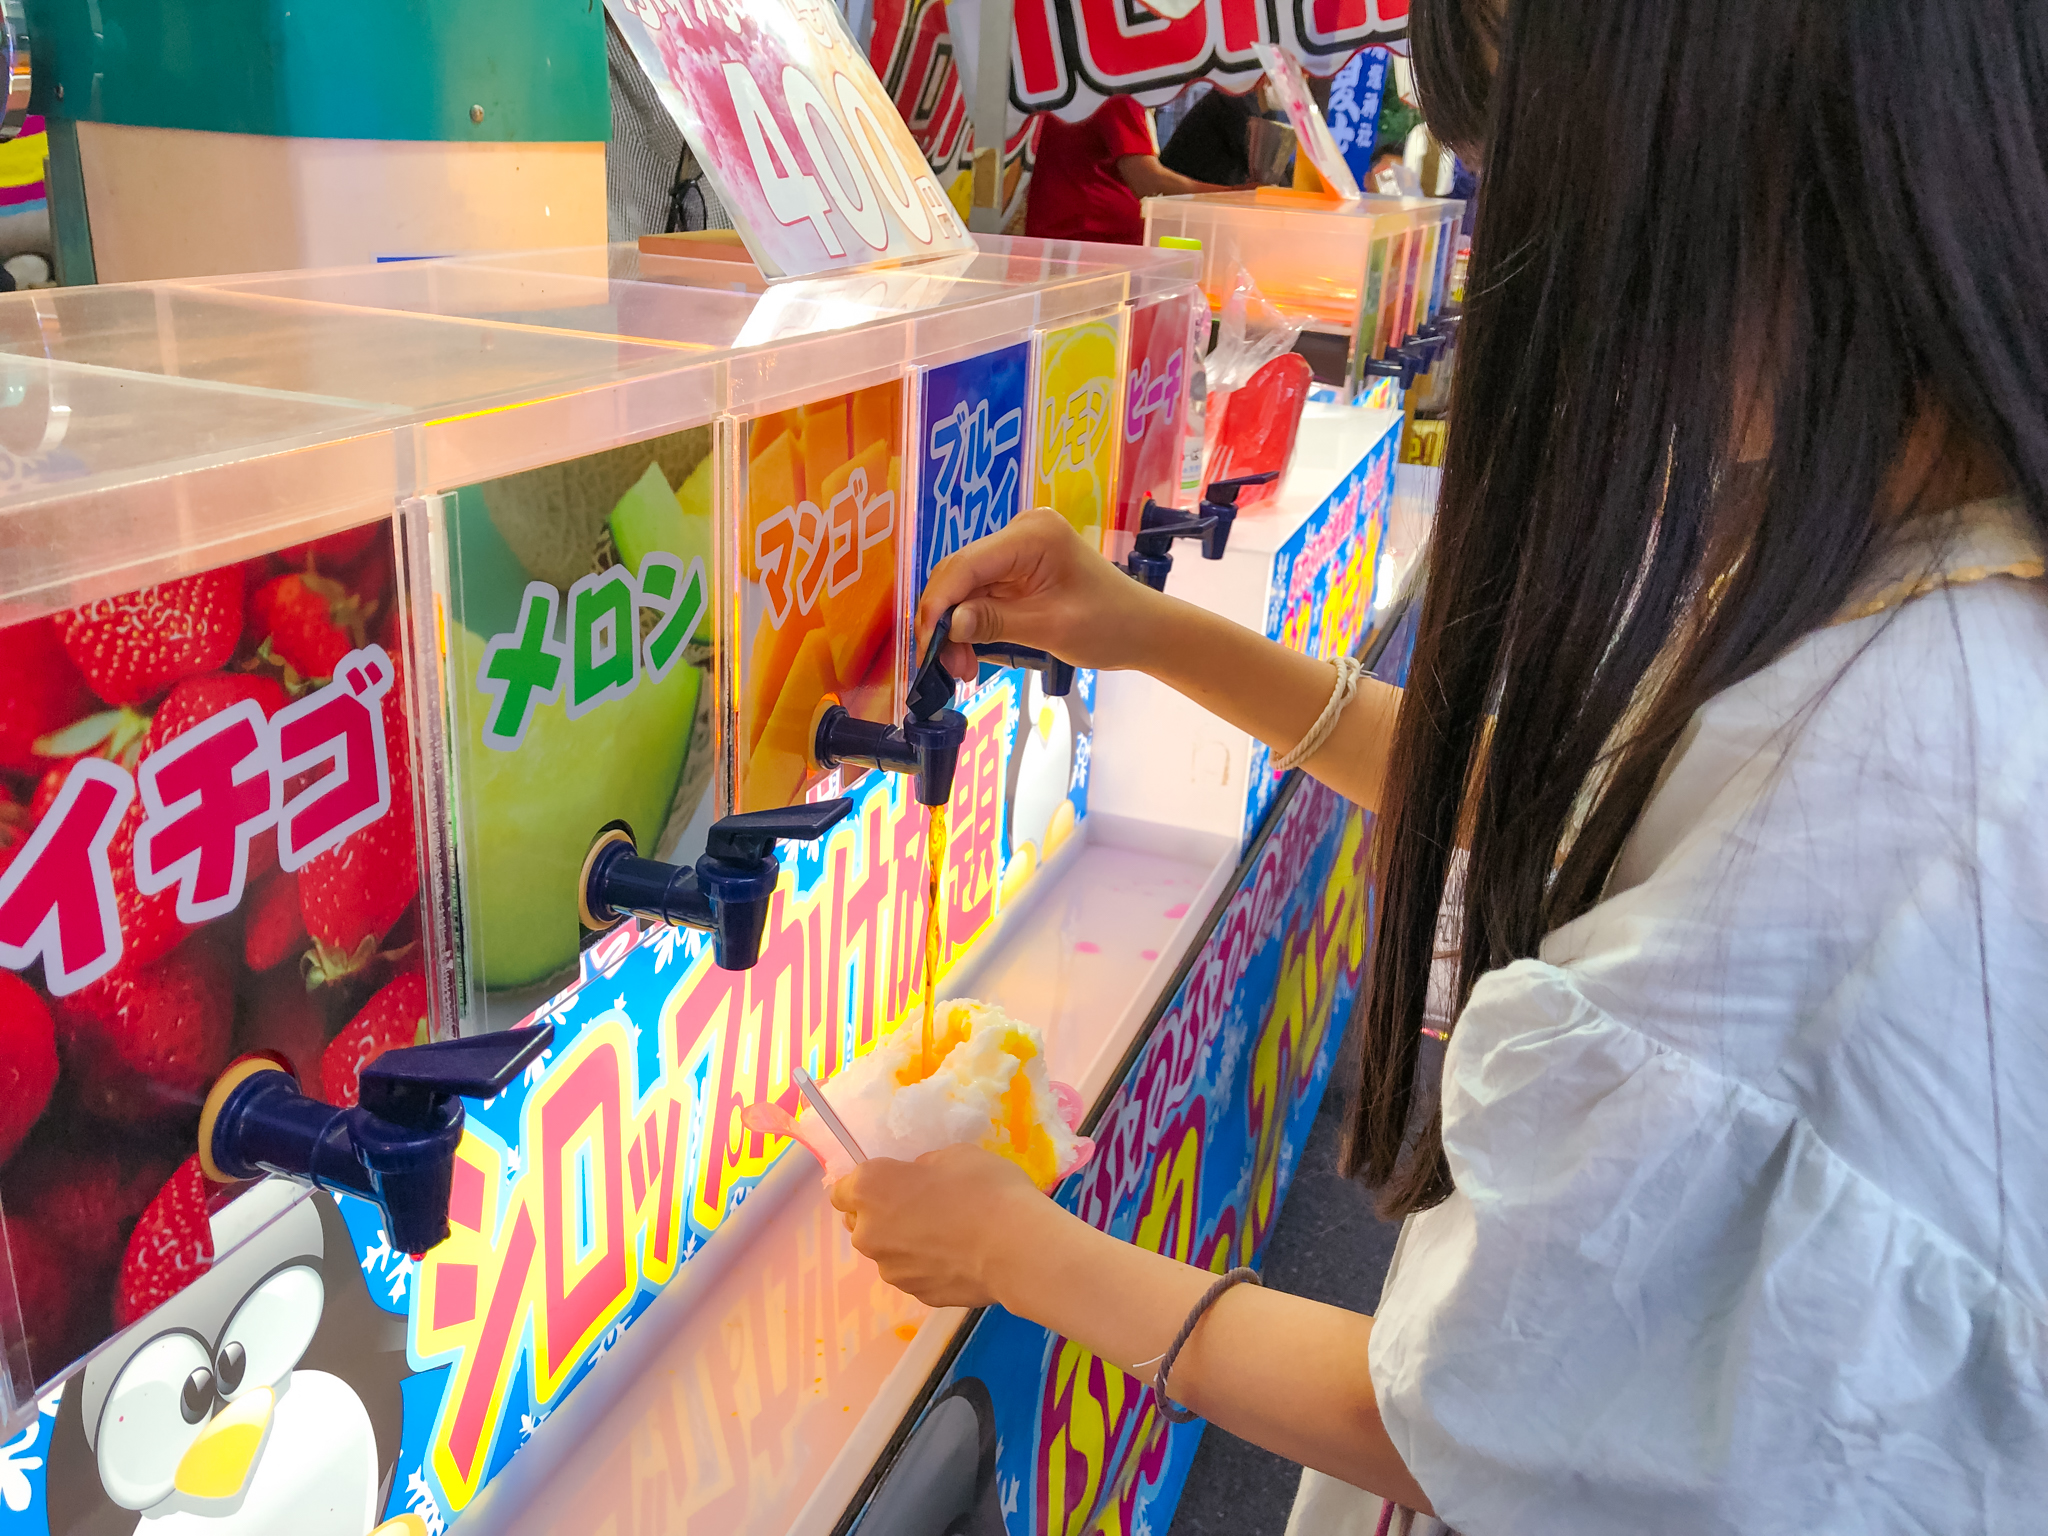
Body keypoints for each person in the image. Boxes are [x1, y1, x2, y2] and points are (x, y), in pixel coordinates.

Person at [831, 0, 2048, 1532]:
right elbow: (1585, 811)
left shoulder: (1900, 766)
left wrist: (1015, 1251)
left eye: (1531, 178)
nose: (1519, 257)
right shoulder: (1911, 569)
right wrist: (1144, 628)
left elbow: (1455, 1409)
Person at [1024, 96, 1234, 245]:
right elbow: (1147, 181)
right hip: (1091, 242)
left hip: (1066, 237)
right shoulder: (1117, 95)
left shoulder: (1090, 91)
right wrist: (1235, 197)